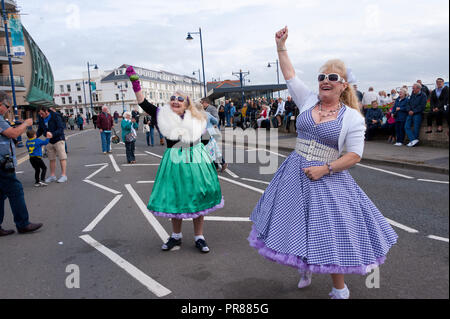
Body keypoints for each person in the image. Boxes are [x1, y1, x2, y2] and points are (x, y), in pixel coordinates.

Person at [248, 27, 398, 300]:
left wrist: (325, 169)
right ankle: (305, 267)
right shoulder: (307, 100)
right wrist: (281, 47)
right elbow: (290, 75)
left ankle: (339, 287)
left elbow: (354, 155)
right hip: (293, 173)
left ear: (343, 86)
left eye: (332, 78)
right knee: (293, 224)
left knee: (329, 231)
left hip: (328, 176)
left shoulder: (352, 118)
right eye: (321, 77)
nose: (325, 81)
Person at [126, 66, 223, 253]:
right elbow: (143, 102)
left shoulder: (198, 118)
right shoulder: (162, 115)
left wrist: (211, 157)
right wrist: (135, 82)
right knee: (174, 196)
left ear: (187, 103)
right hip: (174, 161)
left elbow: (207, 139)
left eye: (180, 98)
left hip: (196, 159)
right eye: (173, 98)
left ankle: (199, 237)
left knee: (199, 195)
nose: (175, 101)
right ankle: (176, 236)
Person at [0, 91, 43, 236]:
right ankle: (23, 224)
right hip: (2, 163)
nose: (8, 109)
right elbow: (12, 134)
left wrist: (13, 124)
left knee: (0, 194)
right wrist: (25, 123)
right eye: (7, 106)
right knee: (16, 190)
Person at [37, 106, 68, 183]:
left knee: (62, 158)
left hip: (58, 139)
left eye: (42, 113)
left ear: (46, 111)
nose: (41, 116)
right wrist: (33, 137)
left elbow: (61, 128)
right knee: (51, 159)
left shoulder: (55, 116)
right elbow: (40, 129)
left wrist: (52, 134)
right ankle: (52, 176)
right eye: (39, 114)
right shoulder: (41, 118)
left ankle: (64, 175)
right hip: (49, 140)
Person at [405, 82, 427, 147]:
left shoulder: (423, 95)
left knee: (416, 128)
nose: (412, 89)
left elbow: (422, 106)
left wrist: (414, 111)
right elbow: (408, 103)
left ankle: (413, 142)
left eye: (413, 88)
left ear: (418, 89)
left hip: (417, 113)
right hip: (410, 113)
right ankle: (413, 140)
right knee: (406, 126)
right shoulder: (412, 94)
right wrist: (409, 110)